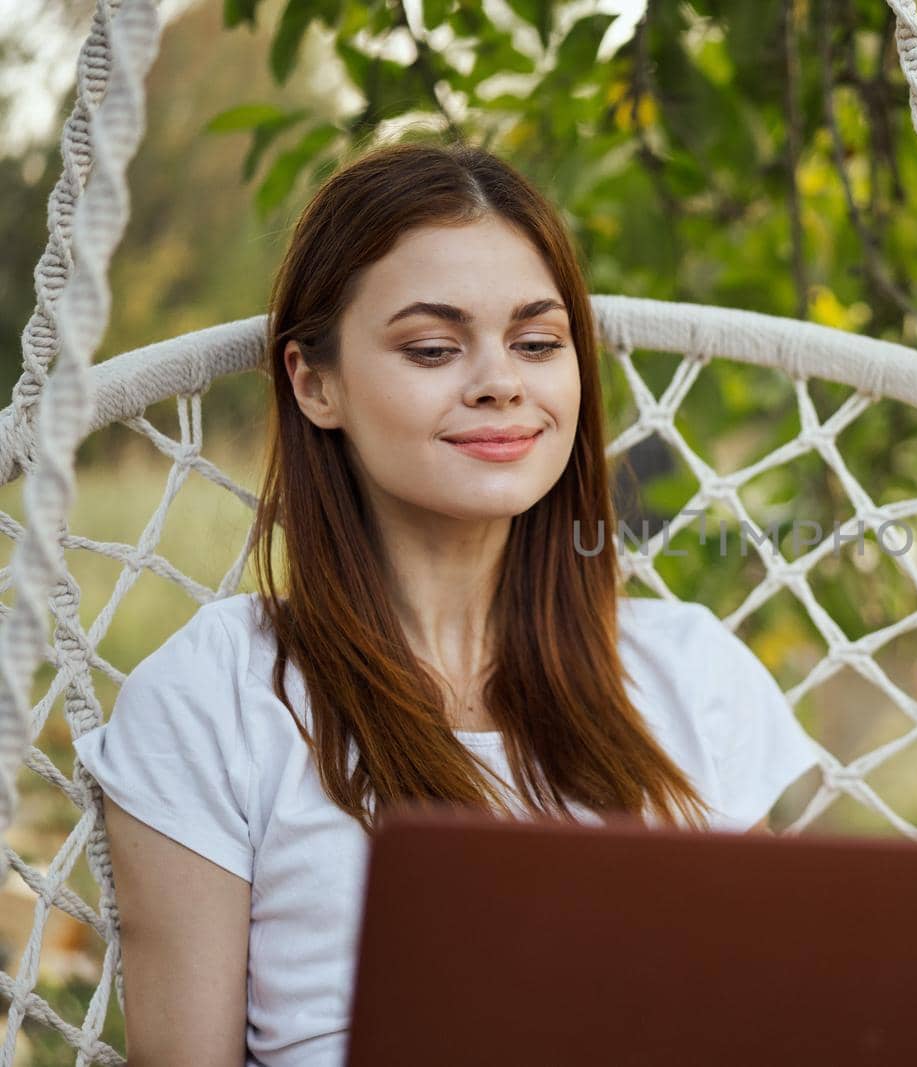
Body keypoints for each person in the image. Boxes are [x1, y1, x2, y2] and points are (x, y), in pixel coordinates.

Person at [71, 140, 819, 1067]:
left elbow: (789, 1016)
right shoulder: (217, 698)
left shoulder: (688, 673)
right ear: (314, 382)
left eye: (538, 343)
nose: (502, 380)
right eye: (432, 347)